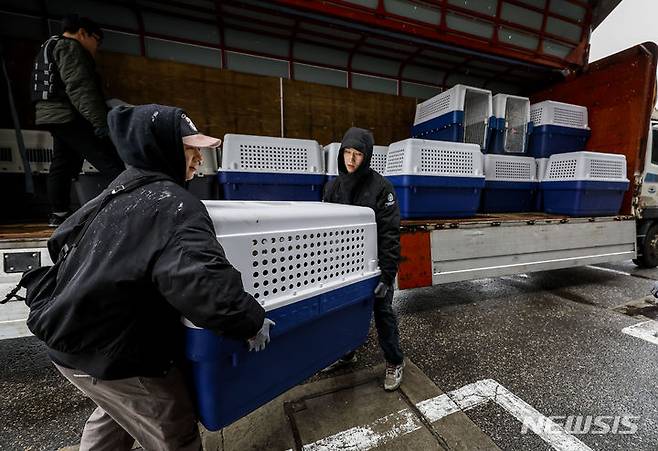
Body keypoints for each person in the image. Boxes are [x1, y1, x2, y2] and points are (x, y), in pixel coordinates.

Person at [40, 104, 272, 450]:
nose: (198, 159)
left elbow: (59, 242)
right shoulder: (175, 205)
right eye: (190, 148)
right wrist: (251, 320)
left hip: (70, 339)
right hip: (115, 351)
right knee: (174, 432)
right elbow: (207, 289)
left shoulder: (120, 189)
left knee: (117, 412)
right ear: (159, 148)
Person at [322, 127, 404, 391]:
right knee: (344, 311)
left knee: (382, 313)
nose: (351, 159)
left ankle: (395, 361)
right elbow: (323, 229)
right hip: (343, 265)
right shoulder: (333, 187)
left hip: (374, 266)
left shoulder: (382, 188)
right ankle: (347, 353)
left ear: (366, 156)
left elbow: (390, 234)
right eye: (347, 152)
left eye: (358, 154)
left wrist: (387, 275)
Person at [31, 14, 125, 227]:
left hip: (51, 114)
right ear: (83, 33)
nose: (96, 48)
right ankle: (132, 206)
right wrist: (99, 122)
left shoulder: (50, 45)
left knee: (63, 163)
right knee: (109, 160)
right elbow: (81, 88)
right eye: (97, 41)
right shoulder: (70, 47)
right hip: (69, 115)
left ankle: (59, 213)